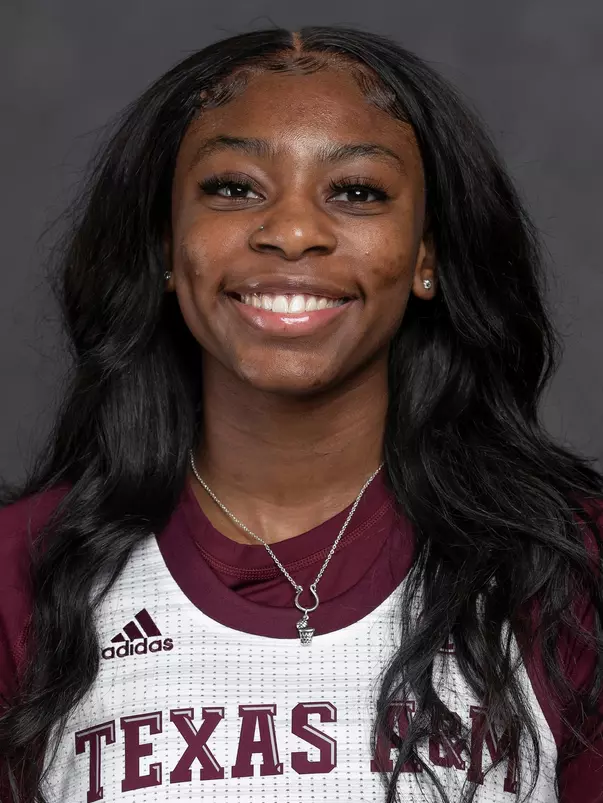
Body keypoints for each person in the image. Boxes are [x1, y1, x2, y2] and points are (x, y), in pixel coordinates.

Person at [0, 24, 602, 803]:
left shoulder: (567, 568)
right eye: (233, 187)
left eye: (355, 191)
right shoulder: (24, 575)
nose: (290, 232)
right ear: (163, 246)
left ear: (427, 255)